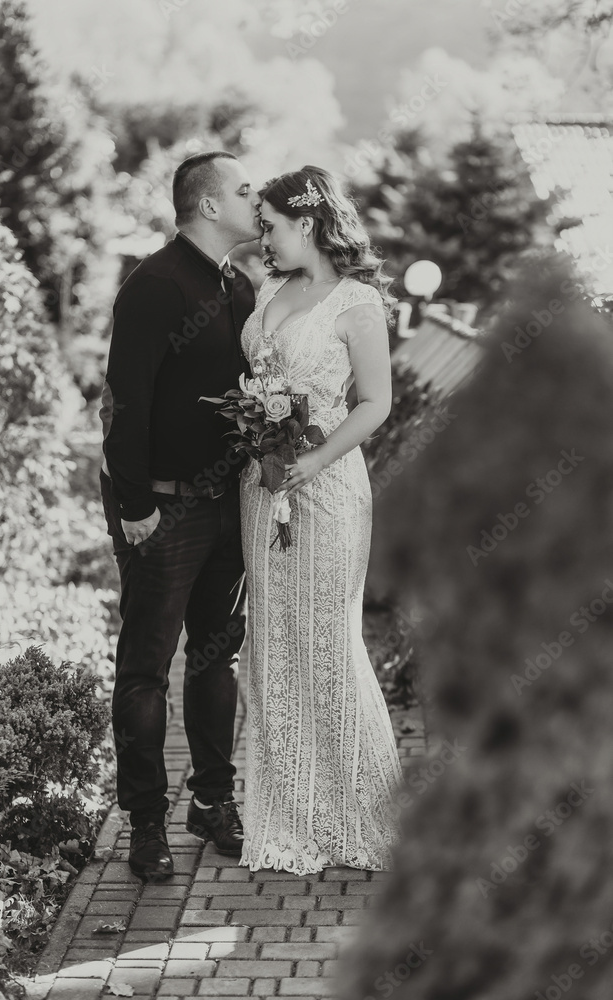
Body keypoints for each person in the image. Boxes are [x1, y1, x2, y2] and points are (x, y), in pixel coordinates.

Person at [99, 150, 262, 881]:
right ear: (205, 205)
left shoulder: (238, 285)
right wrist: (134, 504)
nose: (258, 199)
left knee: (213, 659)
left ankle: (211, 800)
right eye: (246, 189)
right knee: (144, 671)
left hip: (228, 505)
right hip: (161, 509)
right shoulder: (154, 284)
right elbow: (124, 399)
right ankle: (143, 825)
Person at [239, 165, 404, 875]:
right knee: (272, 636)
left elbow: (374, 402)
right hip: (262, 485)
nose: (263, 239)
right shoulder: (270, 289)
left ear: (305, 223)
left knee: (328, 640)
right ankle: (287, 811)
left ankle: (360, 812)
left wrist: (313, 460)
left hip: (327, 486)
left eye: (270, 226)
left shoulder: (356, 302)